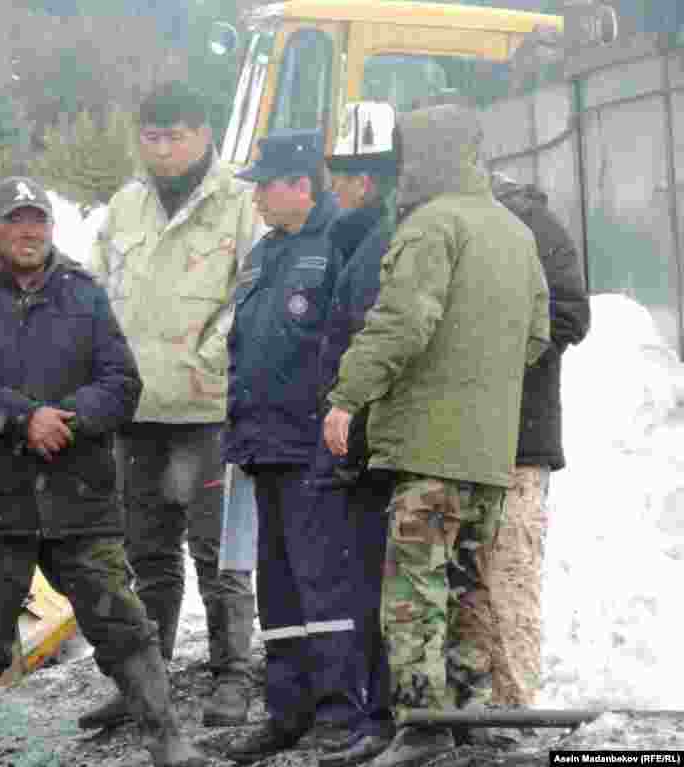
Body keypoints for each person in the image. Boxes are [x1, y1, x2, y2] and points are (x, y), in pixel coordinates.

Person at [0, 176, 206, 767]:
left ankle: (169, 742)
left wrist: (67, 421)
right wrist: (23, 420)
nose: (30, 231)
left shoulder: (83, 292)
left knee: (123, 623)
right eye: (16, 220)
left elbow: (122, 382)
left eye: (40, 220)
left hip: (80, 496)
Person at [322, 104, 550, 767]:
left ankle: (421, 727)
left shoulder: (430, 226)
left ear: (423, 157)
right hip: (489, 452)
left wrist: (346, 398)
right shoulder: (514, 231)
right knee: (469, 585)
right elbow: (536, 333)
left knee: (415, 591)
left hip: (427, 449)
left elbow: (403, 325)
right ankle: (469, 720)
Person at [86, 80, 258, 730]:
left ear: (205, 135)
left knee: (217, 553)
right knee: (146, 555)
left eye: (176, 135)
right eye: (152, 136)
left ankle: (233, 675)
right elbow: (94, 290)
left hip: (210, 410)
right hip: (137, 413)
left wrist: (209, 356)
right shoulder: (125, 206)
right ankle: (146, 681)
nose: (162, 148)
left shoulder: (239, 204)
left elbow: (253, 288)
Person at [220, 128, 370, 764]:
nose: (254, 198)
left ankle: (340, 711)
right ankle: (289, 710)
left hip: (315, 448)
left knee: (326, 586)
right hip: (263, 446)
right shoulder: (262, 253)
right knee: (278, 590)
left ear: (301, 186)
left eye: (264, 185)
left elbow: (352, 343)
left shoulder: (343, 244)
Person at [309, 102, 402, 767]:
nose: (330, 188)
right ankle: (381, 713)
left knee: (377, 588)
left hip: (369, 449)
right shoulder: (360, 241)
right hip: (364, 446)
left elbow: (370, 347)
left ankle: (384, 717)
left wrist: (354, 439)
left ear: (363, 182)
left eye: (338, 176)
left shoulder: (375, 249)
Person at [489, 173, 590, 712]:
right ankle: (474, 718)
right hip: (453, 439)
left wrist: (490, 343)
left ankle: (511, 718)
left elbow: (570, 314)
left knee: (508, 581)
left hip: (518, 439)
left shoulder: (528, 219)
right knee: (468, 589)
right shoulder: (430, 213)